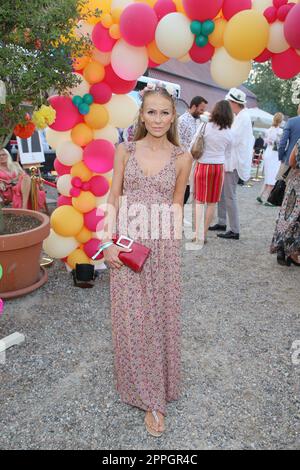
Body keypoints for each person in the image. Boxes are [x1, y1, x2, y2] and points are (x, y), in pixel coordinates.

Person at [98, 87, 192, 437]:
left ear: (172, 117)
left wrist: (172, 247)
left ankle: (157, 396)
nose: (157, 119)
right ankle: (143, 391)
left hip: (164, 247)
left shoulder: (183, 157)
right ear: (141, 116)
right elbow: (113, 196)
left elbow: (178, 203)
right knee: (132, 319)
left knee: (159, 319)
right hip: (127, 243)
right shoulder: (125, 150)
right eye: (150, 112)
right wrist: (108, 242)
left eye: (164, 113)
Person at [209, 88, 254, 239]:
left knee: (229, 196)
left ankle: (234, 229)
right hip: (228, 161)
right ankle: (222, 221)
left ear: (234, 103)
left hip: (233, 163)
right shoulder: (239, 116)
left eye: (229, 102)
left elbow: (232, 139)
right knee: (222, 194)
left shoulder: (243, 118)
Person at [190, 100, 233, 243]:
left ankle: (197, 234)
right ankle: (203, 234)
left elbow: (193, 143)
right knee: (212, 203)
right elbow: (228, 154)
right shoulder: (229, 133)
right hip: (218, 168)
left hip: (203, 165)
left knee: (199, 201)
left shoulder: (205, 125)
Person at [270, 138, 300, 266]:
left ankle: (281, 249)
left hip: (295, 182)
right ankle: (294, 253)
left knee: (287, 216)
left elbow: (291, 161)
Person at [178, 96, 208, 204]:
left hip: (191, 163)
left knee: (186, 192)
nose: (202, 112)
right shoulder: (182, 120)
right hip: (182, 162)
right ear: (194, 107)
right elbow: (176, 143)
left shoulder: (198, 122)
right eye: (201, 110)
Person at [257, 113, 284, 206]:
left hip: (267, 153)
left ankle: (260, 195)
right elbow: (281, 144)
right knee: (273, 177)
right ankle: (267, 199)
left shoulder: (268, 130)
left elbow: (267, 142)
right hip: (275, 155)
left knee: (268, 176)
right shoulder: (280, 132)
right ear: (281, 121)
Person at [278, 103, 300, 179]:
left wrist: (281, 157)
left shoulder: (291, 121)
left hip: (289, 161)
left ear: (298, 109)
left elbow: (282, 142)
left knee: (281, 188)